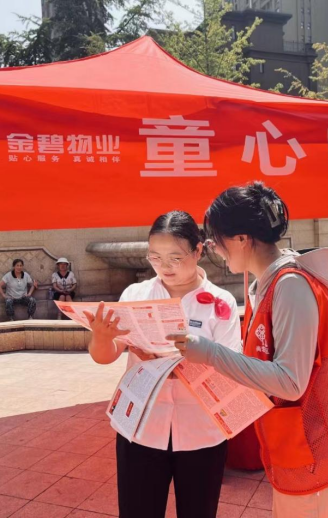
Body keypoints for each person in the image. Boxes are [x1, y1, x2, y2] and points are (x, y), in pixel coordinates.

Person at [166, 183, 328, 519]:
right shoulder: (277, 283)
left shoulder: (290, 285)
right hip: (304, 452)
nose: (216, 250)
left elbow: (290, 381)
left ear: (242, 239)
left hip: (319, 458)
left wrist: (210, 353)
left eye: (216, 240)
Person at [84, 211, 241, 519]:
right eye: (155, 257)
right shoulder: (136, 295)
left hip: (201, 432)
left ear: (198, 250)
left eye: (175, 258)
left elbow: (231, 366)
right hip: (141, 428)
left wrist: (177, 366)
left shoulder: (220, 303)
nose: (164, 267)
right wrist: (101, 337)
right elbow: (105, 355)